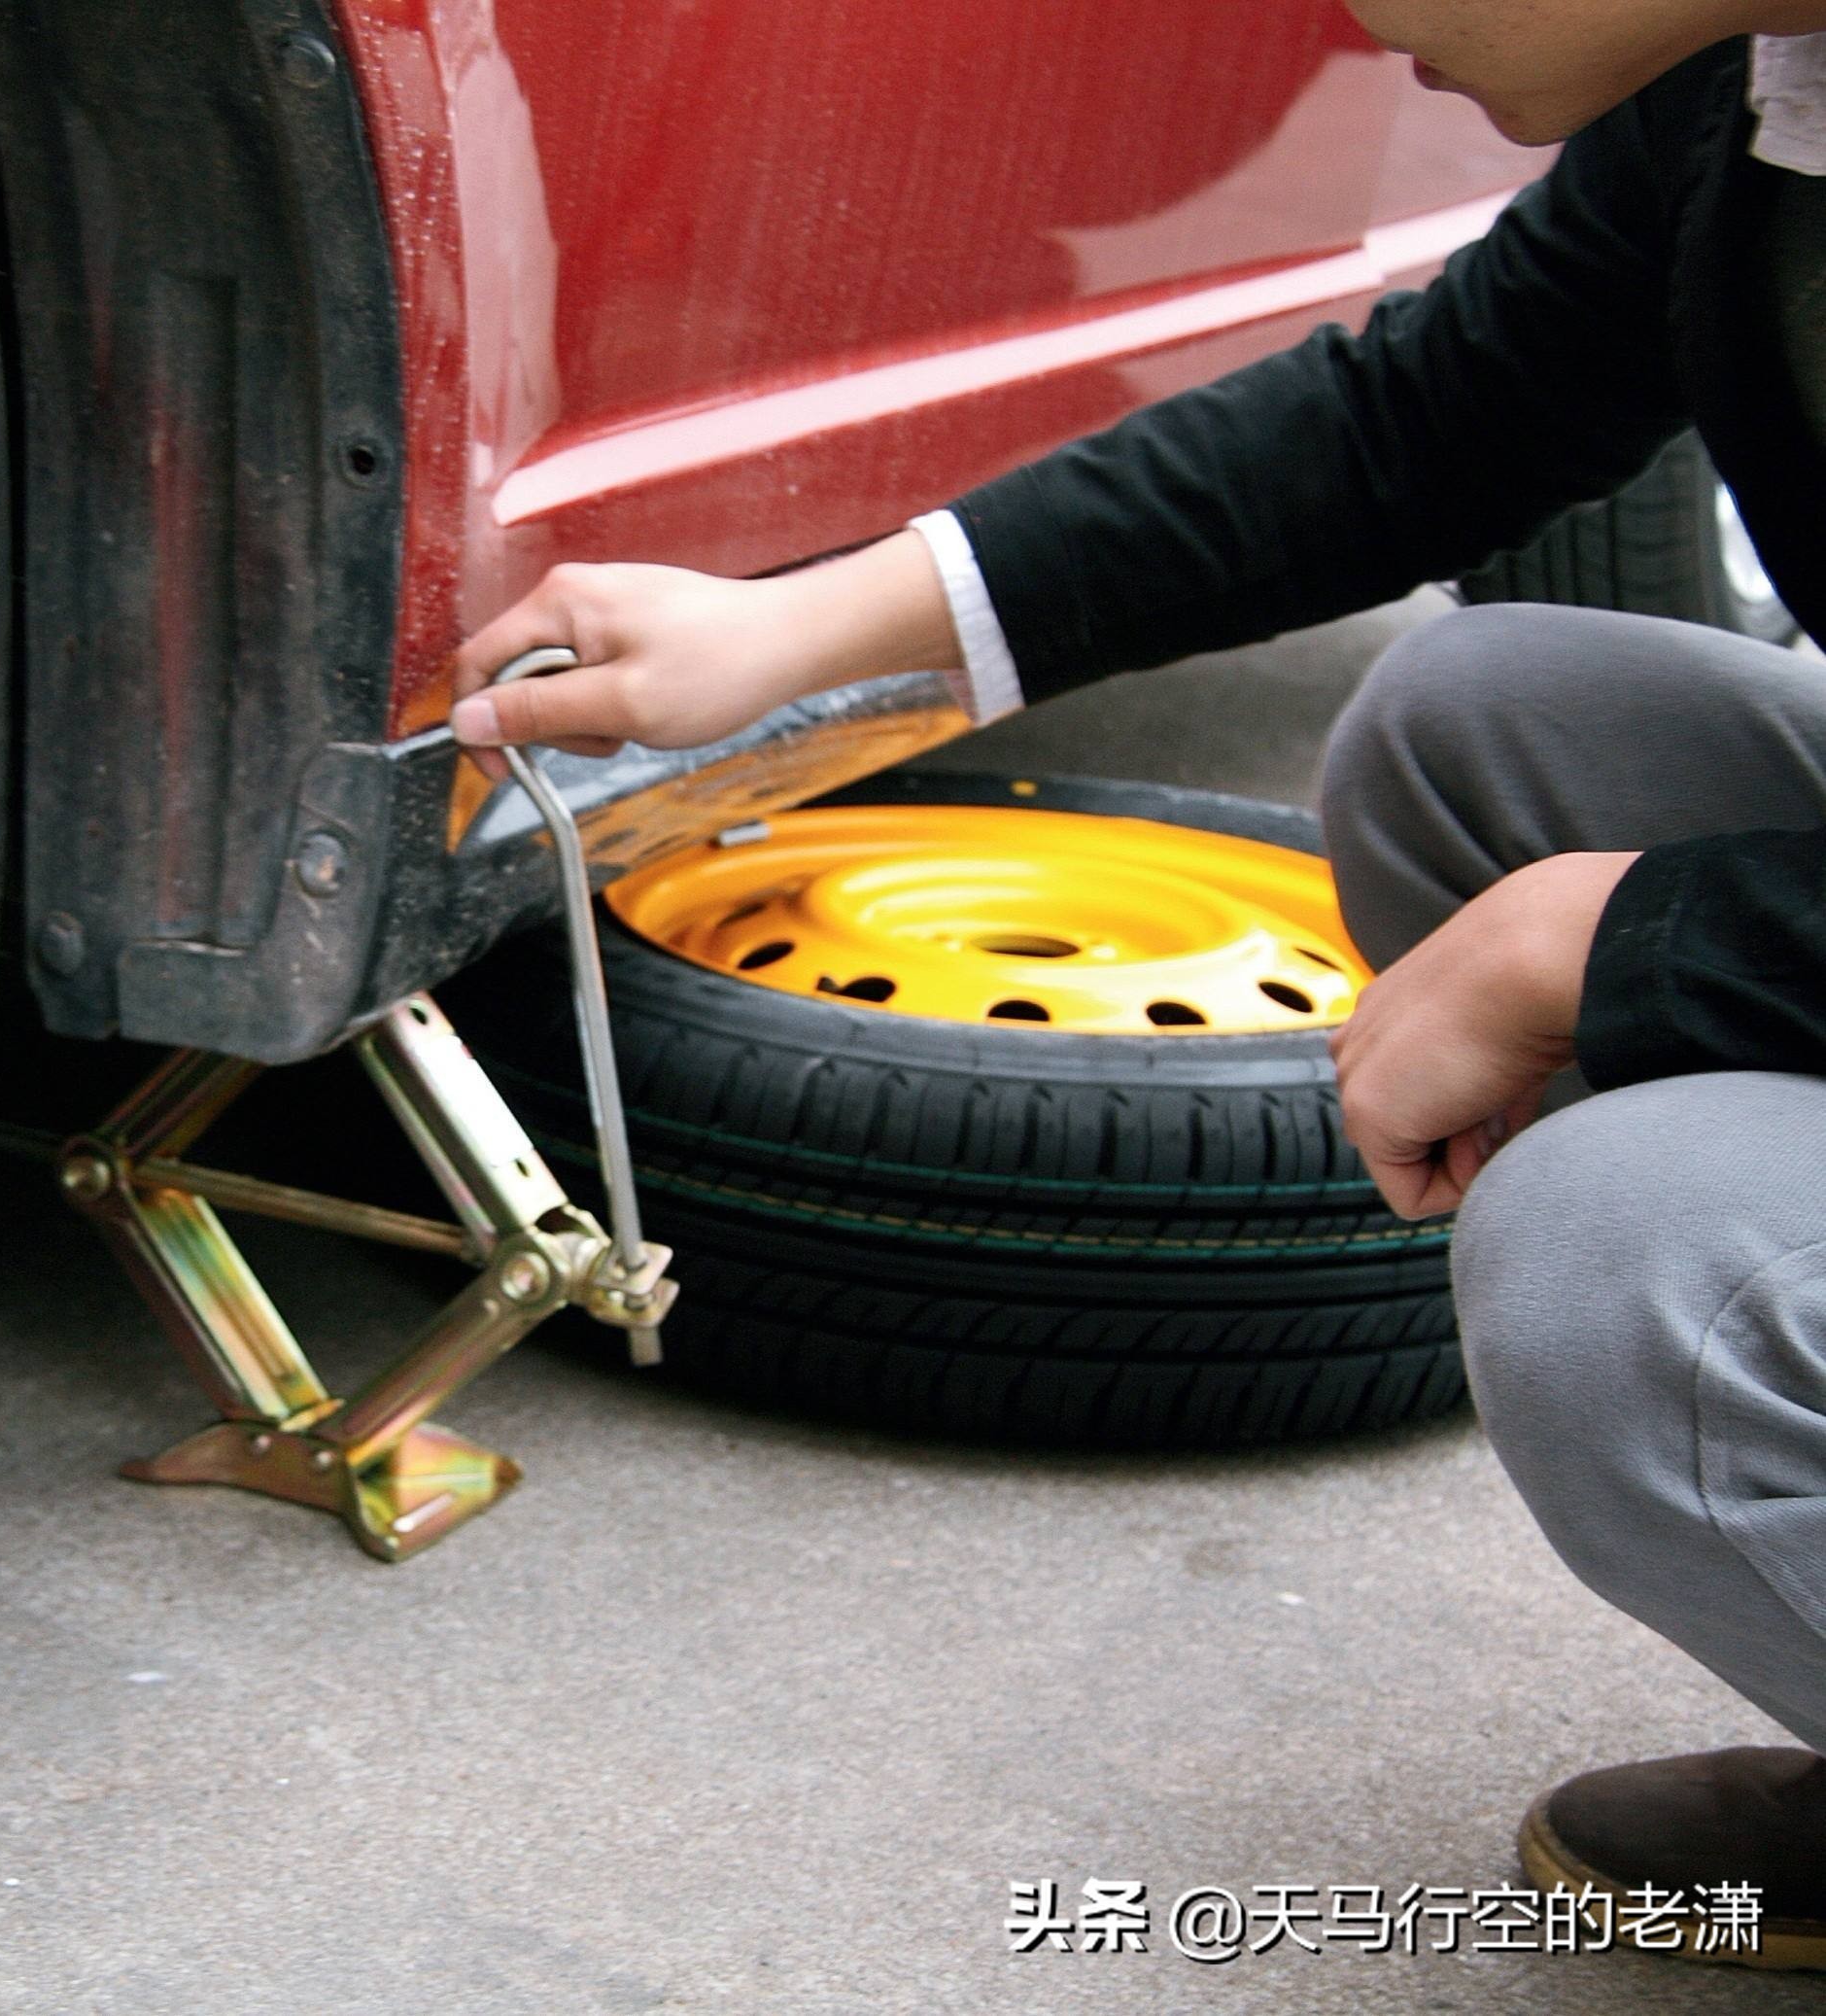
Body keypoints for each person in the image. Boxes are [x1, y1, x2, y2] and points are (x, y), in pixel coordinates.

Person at [451, 0, 1826, 1971]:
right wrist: (786, 639)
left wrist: (1601, 940)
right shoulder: (1759, 93)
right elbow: (1404, 424)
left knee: (1629, 1266)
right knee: (1480, 737)